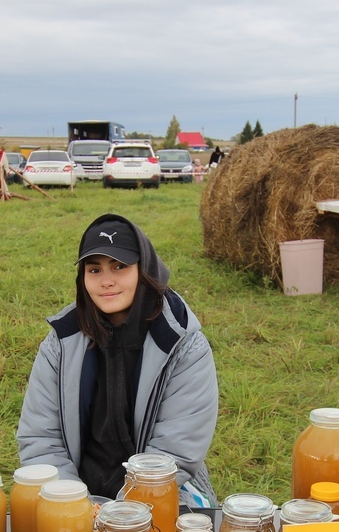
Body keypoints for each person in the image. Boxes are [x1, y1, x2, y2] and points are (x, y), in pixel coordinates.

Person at [17, 214, 219, 507]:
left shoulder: (183, 345)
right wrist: (77, 505)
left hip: (160, 489)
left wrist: (122, 515)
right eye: (94, 269)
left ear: (145, 269)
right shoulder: (60, 342)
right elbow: (40, 438)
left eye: (120, 266)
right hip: (77, 493)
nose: (106, 281)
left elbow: (176, 450)